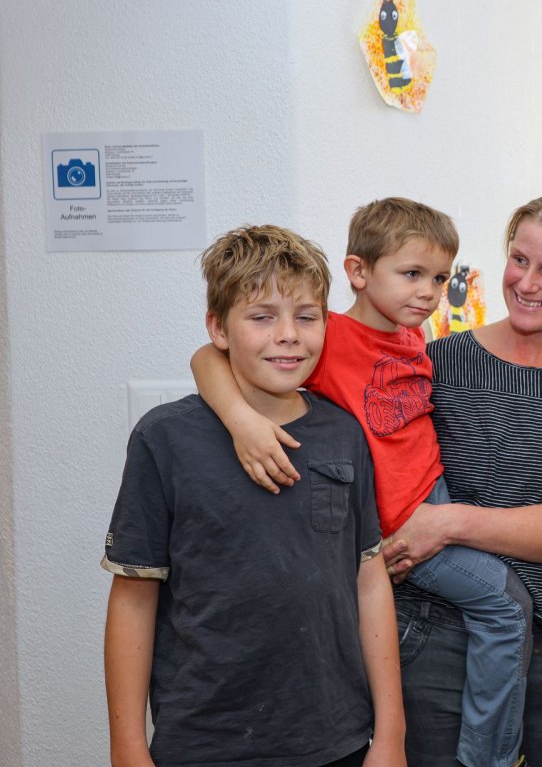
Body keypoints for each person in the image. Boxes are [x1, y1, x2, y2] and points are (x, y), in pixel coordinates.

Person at [191, 199, 534, 767]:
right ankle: (490, 758)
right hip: (403, 523)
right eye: (412, 274)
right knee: (507, 606)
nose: (428, 292)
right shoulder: (327, 336)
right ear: (357, 272)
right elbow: (208, 356)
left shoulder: (413, 337)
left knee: (511, 579)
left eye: (439, 278)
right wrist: (240, 420)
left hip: (437, 497)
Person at [102, 225, 404, 767]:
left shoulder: (344, 433)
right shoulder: (164, 439)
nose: (288, 335)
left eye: (306, 317)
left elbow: (369, 580)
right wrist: (126, 747)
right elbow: (133, 597)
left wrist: (391, 734)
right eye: (262, 317)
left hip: (336, 736)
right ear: (218, 328)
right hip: (205, 738)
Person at [377, 192, 542, 767]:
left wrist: (448, 522)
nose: (526, 283)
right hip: (434, 634)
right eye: (519, 260)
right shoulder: (438, 362)